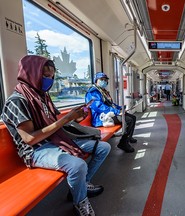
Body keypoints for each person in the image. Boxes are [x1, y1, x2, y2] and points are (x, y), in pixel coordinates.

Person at [1, 55, 111, 216]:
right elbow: (30, 139)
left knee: (103, 147)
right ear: (31, 74)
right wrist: (67, 118)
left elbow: (57, 120)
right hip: (36, 150)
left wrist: (77, 117)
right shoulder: (17, 101)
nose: (49, 80)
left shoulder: (43, 96)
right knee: (78, 165)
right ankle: (79, 201)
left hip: (56, 139)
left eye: (52, 76)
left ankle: (81, 184)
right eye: (45, 76)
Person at [85, 72, 137, 153]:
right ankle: (123, 143)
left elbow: (110, 104)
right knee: (128, 120)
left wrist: (121, 108)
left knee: (133, 117)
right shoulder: (93, 92)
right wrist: (117, 112)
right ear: (96, 81)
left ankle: (128, 137)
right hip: (100, 118)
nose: (104, 81)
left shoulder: (103, 91)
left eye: (105, 80)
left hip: (108, 114)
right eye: (101, 79)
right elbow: (98, 106)